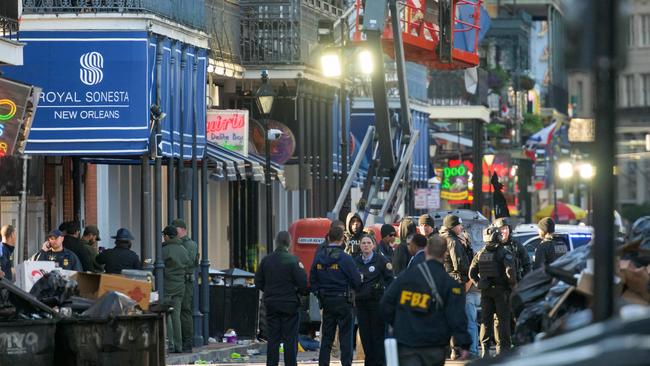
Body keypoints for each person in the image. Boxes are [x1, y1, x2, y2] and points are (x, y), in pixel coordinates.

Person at [381, 235, 472, 365]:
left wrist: (399, 323)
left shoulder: (406, 277)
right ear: (445, 254)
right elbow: (456, 315)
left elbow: (386, 304)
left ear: (426, 251)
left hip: (407, 343)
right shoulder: (449, 284)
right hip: (434, 345)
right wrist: (464, 343)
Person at [310, 226, 361, 366]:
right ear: (341, 239)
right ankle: (345, 364)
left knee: (327, 337)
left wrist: (319, 294)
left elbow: (312, 281)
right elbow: (357, 280)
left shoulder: (319, 257)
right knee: (345, 337)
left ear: (328, 238)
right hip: (344, 301)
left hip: (326, 301)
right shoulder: (345, 258)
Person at [255, 231, 308, 366]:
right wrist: (298, 293)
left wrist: (268, 291)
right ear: (289, 243)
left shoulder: (266, 260)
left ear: (276, 242)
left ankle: (272, 363)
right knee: (290, 339)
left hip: (272, 304)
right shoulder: (293, 260)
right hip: (290, 304)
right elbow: (303, 283)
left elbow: (258, 281)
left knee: (273, 338)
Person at [469, 227, 516, 357]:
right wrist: (513, 286)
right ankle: (504, 351)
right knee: (503, 320)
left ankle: (485, 351)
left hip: (485, 292)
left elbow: (471, 273)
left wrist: (479, 284)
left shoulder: (480, 253)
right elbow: (510, 272)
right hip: (501, 291)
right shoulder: (503, 252)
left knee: (486, 321)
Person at [440, 214, 479, 358]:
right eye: (459, 225)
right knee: (469, 319)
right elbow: (460, 265)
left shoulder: (442, 238)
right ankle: (471, 351)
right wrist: (471, 276)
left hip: (446, 283)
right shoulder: (452, 241)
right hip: (459, 283)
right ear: (452, 226)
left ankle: (454, 350)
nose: (461, 228)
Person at [355, 234, 393, 366]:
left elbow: (390, 280)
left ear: (373, 245)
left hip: (377, 303)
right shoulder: (355, 261)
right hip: (361, 304)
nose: (366, 245)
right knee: (365, 337)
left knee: (377, 336)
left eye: (368, 243)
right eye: (363, 243)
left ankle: (380, 362)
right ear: (360, 246)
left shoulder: (381, 260)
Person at [171, 218, 200, 353]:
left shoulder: (190, 244)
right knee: (178, 311)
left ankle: (187, 341)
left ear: (182, 230)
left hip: (185, 280)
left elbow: (187, 262)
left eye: (175, 229)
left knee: (184, 310)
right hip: (178, 280)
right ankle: (179, 341)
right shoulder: (177, 244)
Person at [162, 225, 191, 353]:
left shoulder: (165, 250)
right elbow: (188, 263)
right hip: (180, 286)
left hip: (167, 285)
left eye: (164, 236)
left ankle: (171, 344)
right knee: (176, 316)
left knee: (167, 314)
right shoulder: (183, 249)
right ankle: (179, 346)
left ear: (167, 236)